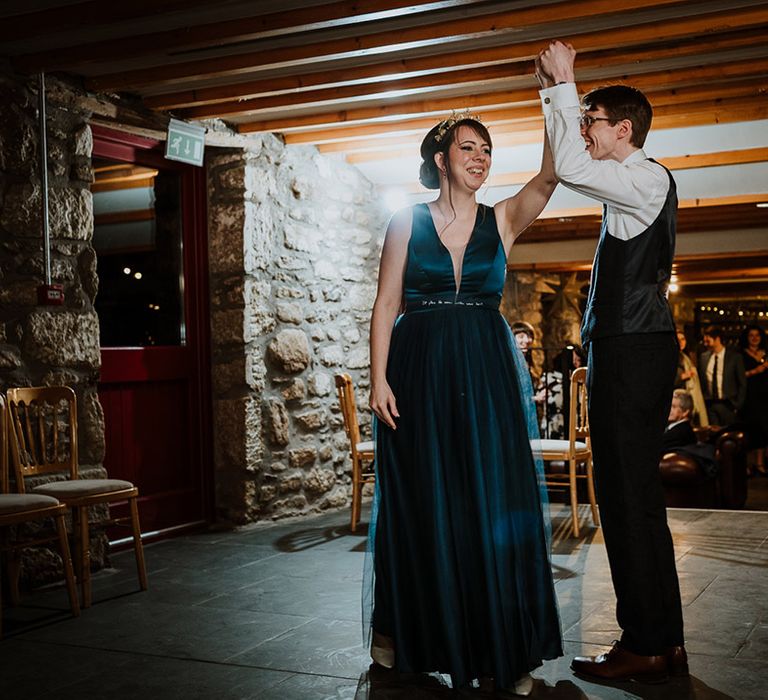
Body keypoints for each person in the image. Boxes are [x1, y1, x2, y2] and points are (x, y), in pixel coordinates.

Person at [368, 111, 563, 695]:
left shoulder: (501, 219)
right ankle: (411, 633)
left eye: (487, 151)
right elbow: (385, 305)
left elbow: (551, 178)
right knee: (423, 503)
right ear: (440, 159)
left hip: (484, 378)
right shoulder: (406, 221)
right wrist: (378, 379)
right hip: (417, 374)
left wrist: (557, 93)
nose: (479, 158)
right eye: (468, 147)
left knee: (490, 501)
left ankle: (500, 645)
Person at [537, 41, 687, 683]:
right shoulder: (631, 188)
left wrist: (563, 81)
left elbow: (567, 164)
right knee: (631, 499)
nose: (584, 130)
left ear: (622, 130)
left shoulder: (644, 178)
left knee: (627, 500)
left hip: (632, 351)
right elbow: (572, 157)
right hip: (630, 350)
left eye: (591, 119)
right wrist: (557, 94)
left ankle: (647, 644)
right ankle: (659, 640)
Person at [698, 325, 746, 426]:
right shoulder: (703, 357)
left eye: (708, 340)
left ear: (717, 339)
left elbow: (742, 383)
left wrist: (737, 405)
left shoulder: (734, 357)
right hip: (709, 404)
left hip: (728, 403)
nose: (705, 343)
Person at [535, 343, 586, 439]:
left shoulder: (580, 381)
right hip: (553, 427)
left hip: (574, 428)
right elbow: (539, 398)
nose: (576, 363)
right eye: (573, 359)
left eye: (578, 360)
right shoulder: (549, 378)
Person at [740, 324, 768, 474]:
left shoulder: (766, 353)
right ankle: (748, 465)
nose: (755, 338)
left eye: (757, 335)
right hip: (750, 398)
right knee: (751, 430)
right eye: (751, 335)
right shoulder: (741, 355)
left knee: (764, 431)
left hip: (765, 398)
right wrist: (755, 371)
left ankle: (760, 464)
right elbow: (739, 376)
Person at [674, 327, 708, 428]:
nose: (681, 342)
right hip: (676, 402)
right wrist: (683, 376)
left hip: (687, 401)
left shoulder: (685, 357)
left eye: (683, 339)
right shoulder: (670, 357)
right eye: (677, 339)